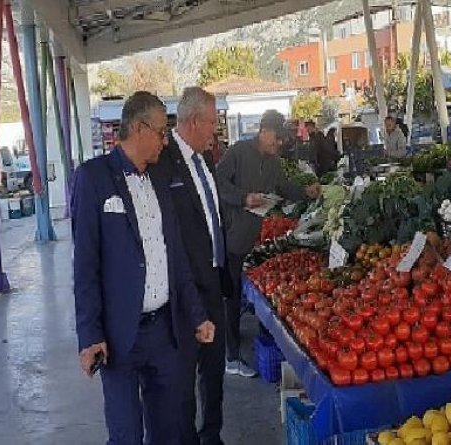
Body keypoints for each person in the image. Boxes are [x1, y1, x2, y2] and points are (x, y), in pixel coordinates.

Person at [72, 91, 215, 444]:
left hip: (163, 331)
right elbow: (85, 267)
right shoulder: (93, 179)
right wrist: (90, 336)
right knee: (127, 434)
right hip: (120, 335)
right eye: (161, 133)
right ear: (139, 128)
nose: (165, 143)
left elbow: (176, 256)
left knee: (168, 428)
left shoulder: (159, 182)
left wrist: (197, 316)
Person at [152, 87, 231, 445]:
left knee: (214, 370)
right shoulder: (162, 162)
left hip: (214, 281)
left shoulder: (206, 159)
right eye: (212, 123)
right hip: (183, 291)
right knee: (184, 375)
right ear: (195, 121)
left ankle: (211, 435)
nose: (216, 130)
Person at [216, 110, 321, 377]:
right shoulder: (239, 151)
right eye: (276, 137)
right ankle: (231, 356)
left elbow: (284, 188)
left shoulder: (273, 162)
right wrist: (243, 198)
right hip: (229, 233)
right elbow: (217, 183)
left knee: (238, 291)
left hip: (251, 235)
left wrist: (305, 192)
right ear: (263, 132)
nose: (279, 143)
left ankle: (235, 338)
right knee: (229, 293)